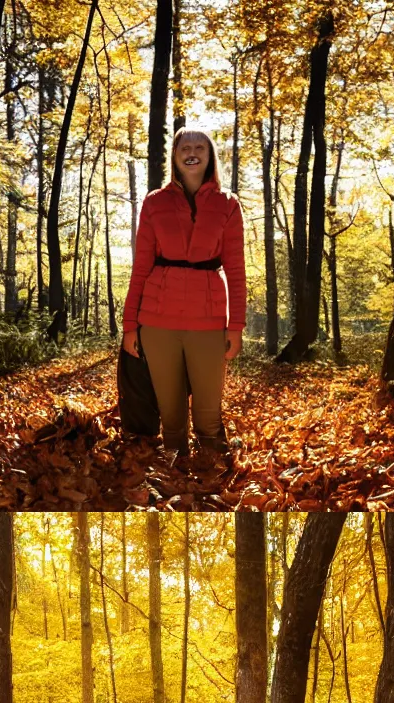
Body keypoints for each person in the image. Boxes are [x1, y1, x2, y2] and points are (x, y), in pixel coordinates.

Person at [122, 128, 246, 458]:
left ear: (210, 155)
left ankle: (214, 483)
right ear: (175, 157)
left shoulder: (228, 204)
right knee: (172, 418)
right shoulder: (154, 202)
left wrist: (237, 327)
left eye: (200, 147)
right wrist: (129, 325)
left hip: (208, 321)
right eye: (184, 147)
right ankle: (175, 486)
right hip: (157, 322)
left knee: (208, 415)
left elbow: (236, 271)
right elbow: (141, 268)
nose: (192, 152)